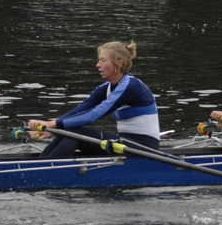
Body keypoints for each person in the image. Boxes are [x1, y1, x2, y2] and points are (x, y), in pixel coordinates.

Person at [27, 41, 160, 158]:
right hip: (125, 143)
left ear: (120, 62)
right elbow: (80, 110)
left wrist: (51, 125)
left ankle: (46, 172)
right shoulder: (106, 87)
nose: (97, 65)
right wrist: (52, 130)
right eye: (98, 60)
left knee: (74, 133)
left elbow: (93, 115)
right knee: (70, 131)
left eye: (103, 60)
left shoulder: (130, 86)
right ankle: (41, 164)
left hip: (143, 148)